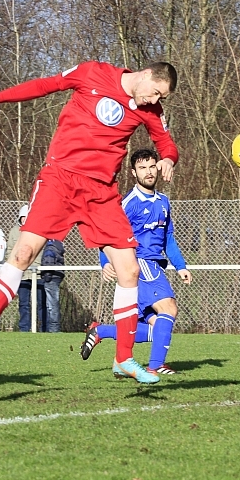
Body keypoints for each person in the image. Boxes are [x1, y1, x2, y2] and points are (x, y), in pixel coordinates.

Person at [0, 59, 179, 384]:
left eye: (160, 97)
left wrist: (168, 159)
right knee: (24, 253)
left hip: (101, 192)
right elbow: (45, 85)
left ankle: (123, 358)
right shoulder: (93, 73)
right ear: (146, 75)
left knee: (130, 271)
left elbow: (166, 143)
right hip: (60, 180)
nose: (154, 100)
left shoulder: (150, 109)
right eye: (155, 92)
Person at [80, 148, 192, 375]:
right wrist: (105, 261)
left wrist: (181, 266)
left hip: (154, 265)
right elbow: (108, 231)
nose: (148, 172)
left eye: (151, 167)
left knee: (156, 328)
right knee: (169, 308)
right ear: (133, 172)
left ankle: (101, 331)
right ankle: (155, 367)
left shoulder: (163, 202)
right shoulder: (130, 202)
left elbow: (168, 237)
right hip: (140, 263)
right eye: (142, 168)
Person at [7, 204, 41, 332]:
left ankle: (42, 329)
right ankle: (24, 329)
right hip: (21, 274)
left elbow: (40, 251)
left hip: (37, 273)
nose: (25, 219)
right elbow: (10, 250)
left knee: (40, 303)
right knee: (23, 303)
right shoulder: (14, 232)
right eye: (23, 217)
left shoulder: (39, 231)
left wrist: (35, 265)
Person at [39, 238, 65, 332]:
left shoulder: (50, 247)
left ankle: (53, 328)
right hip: (57, 276)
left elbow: (48, 263)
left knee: (51, 305)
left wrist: (47, 276)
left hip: (51, 278)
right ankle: (53, 327)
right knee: (53, 303)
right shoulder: (57, 246)